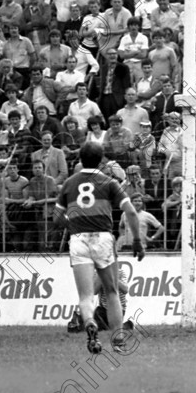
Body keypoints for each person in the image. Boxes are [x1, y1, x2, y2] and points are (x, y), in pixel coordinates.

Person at [53, 142, 143, 355]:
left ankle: (90, 324)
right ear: (102, 160)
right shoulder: (109, 182)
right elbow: (130, 211)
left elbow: (56, 217)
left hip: (79, 239)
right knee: (111, 291)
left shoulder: (69, 183)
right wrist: (137, 240)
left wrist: (73, 225)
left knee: (85, 297)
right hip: (102, 238)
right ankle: (118, 340)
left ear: (80, 160)